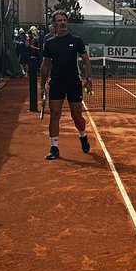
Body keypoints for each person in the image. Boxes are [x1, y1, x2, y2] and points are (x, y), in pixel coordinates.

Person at [40, 11, 93, 160]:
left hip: (74, 82)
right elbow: (45, 65)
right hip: (56, 82)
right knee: (55, 114)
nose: (62, 23)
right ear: (54, 23)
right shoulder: (49, 43)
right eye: (59, 21)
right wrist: (41, 86)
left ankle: (83, 136)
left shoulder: (76, 41)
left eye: (64, 20)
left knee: (76, 116)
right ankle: (54, 147)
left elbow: (86, 60)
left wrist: (89, 80)